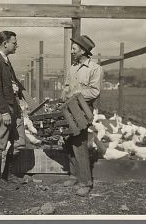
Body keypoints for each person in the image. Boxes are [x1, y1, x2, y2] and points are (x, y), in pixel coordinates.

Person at [60, 34, 103, 197]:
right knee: (68, 140)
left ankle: (85, 182)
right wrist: (65, 91)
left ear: (84, 50)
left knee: (79, 143)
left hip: (83, 109)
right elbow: (66, 85)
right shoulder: (73, 68)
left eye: (74, 49)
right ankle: (74, 175)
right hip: (68, 108)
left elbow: (94, 91)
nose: (71, 51)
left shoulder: (95, 69)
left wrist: (76, 93)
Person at [0, 31, 26, 187]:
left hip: (13, 106)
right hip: (3, 107)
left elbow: (11, 83)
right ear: (5, 44)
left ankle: (8, 175)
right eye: (14, 42)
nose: (17, 45)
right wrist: (4, 111)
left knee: (19, 142)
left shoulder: (5, 60)